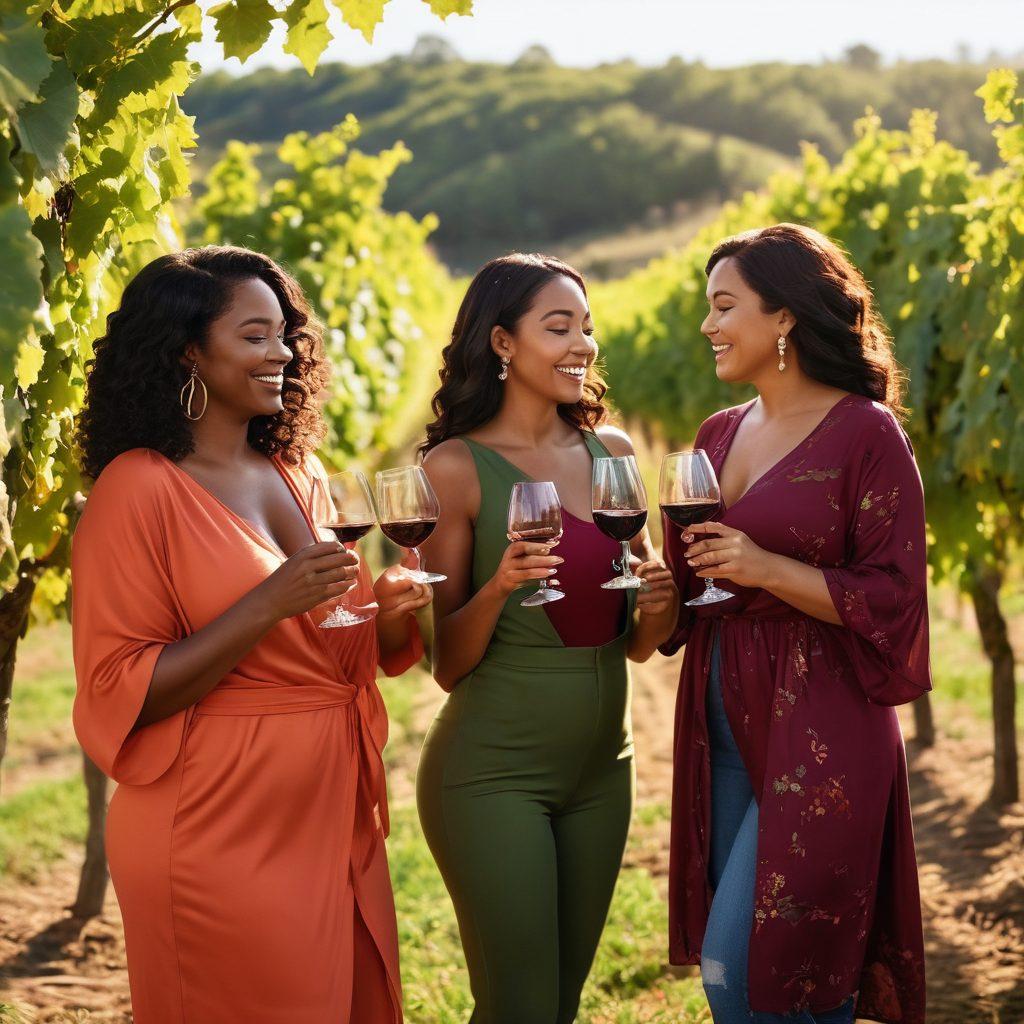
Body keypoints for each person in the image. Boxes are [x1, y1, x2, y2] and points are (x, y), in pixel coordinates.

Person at [71, 245, 431, 1024]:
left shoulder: (300, 471)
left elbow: (333, 652)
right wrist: (266, 604)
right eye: (255, 336)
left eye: (286, 336)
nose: (283, 355)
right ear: (188, 351)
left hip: (329, 816)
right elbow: (121, 688)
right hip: (212, 825)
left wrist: (388, 614)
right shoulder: (136, 488)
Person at [661, 224, 930, 1024]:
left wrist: (767, 569)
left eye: (724, 305)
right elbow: (694, 583)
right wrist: (657, 587)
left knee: (745, 974)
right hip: (719, 713)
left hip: (823, 721)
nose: (708, 325)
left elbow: (894, 598)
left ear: (782, 317)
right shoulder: (716, 432)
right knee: (781, 972)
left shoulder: (866, 434)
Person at [413, 253, 679, 1024]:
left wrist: (659, 602)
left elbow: (636, 641)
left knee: (556, 1007)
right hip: (492, 776)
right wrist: (501, 586)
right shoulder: (455, 469)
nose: (582, 345)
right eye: (558, 326)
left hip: (605, 771)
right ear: (502, 343)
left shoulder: (615, 455)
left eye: (586, 328)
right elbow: (447, 665)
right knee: (519, 1007)